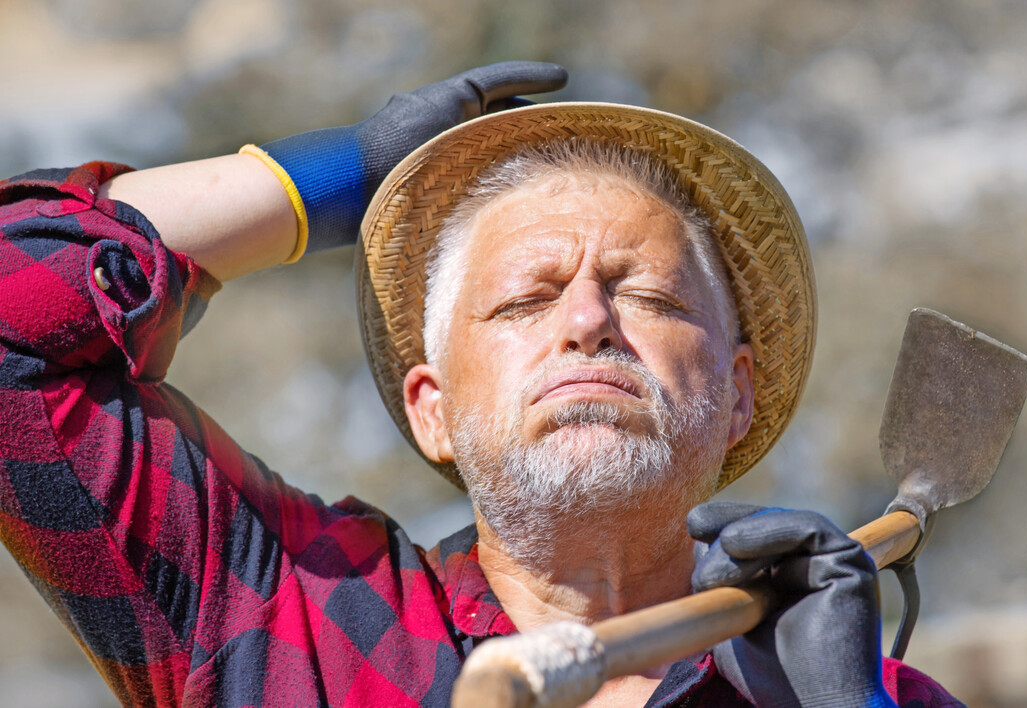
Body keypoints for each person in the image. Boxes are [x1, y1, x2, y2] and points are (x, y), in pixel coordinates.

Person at [0, 62, 962, 706]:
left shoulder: (841, 685)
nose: (588, 320)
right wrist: (322, 179)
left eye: (651, 296)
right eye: (522, 303)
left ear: (738, 392)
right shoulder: (279, 613)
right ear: (433, 410)